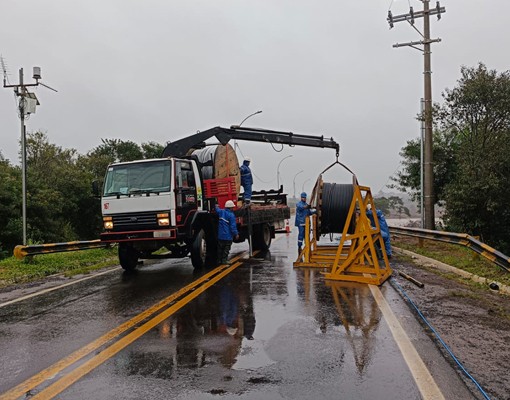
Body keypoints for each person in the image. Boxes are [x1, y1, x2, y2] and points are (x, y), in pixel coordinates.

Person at [216, 200, 239, 265]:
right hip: (228, 236)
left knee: (220, 249)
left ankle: (219, 261)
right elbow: (233, 227)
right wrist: (236, 234)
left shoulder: (221, 212)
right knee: (226, 249)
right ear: (231, 207)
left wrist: (216, 205)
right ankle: (224, 260)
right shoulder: (231, 215)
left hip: (220, 235)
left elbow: (216, 209)